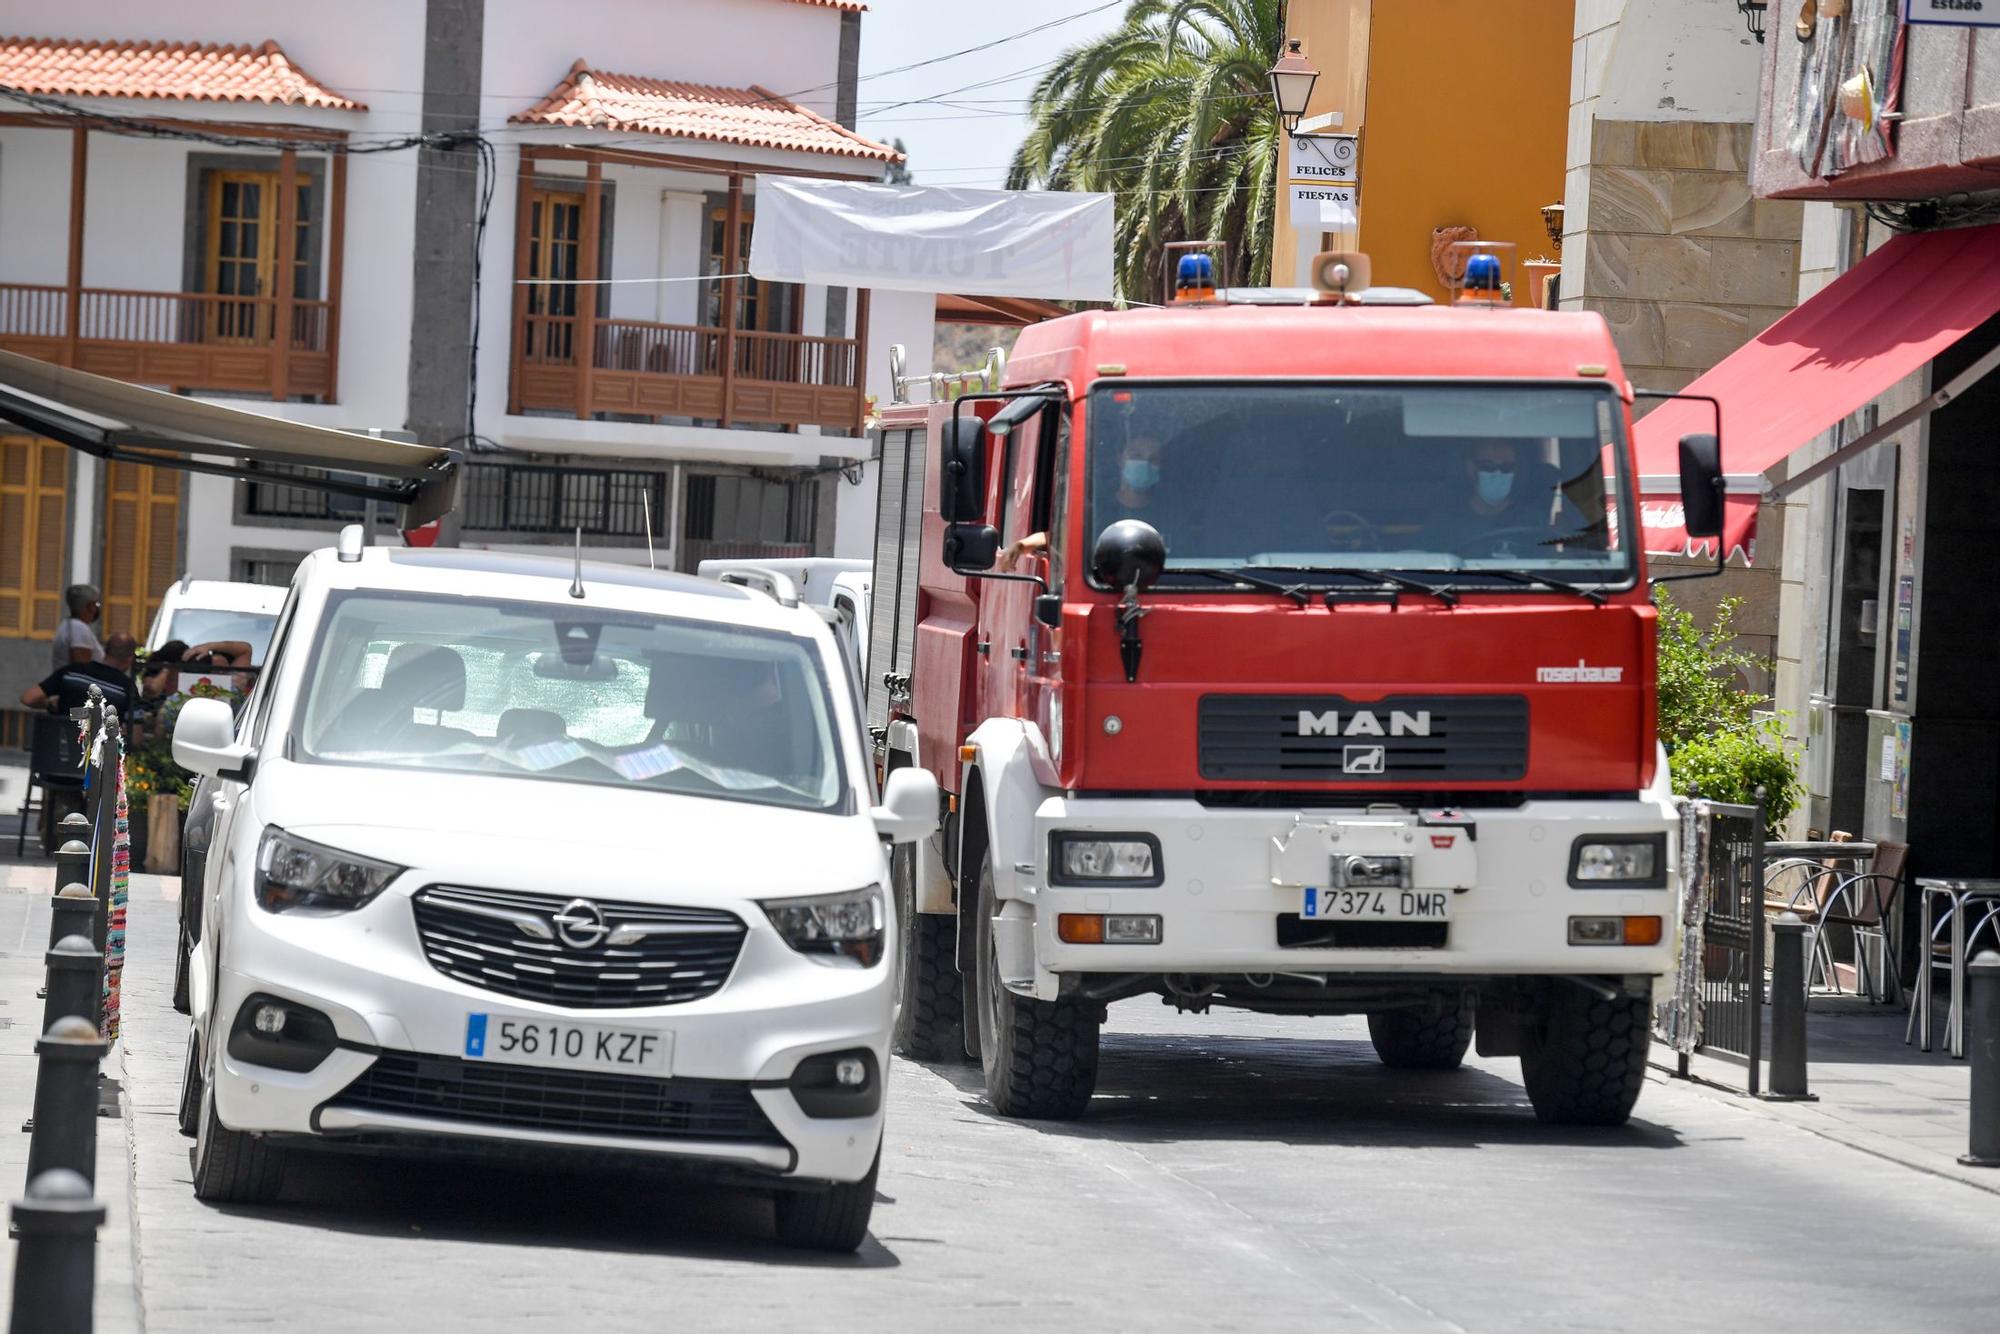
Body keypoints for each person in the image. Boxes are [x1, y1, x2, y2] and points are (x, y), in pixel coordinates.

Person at [20, 631, 137, 719]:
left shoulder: (71, 672)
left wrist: (52, 705)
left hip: (58, 748)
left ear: (105, 650)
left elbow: (28, 698)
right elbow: (136, 739)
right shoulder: (126, 689)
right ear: (130, 658)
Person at [51, 584, 103, 669]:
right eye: (96, 604)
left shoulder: (68, 624)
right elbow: (81, 668)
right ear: (90, 607)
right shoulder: (79, 628)